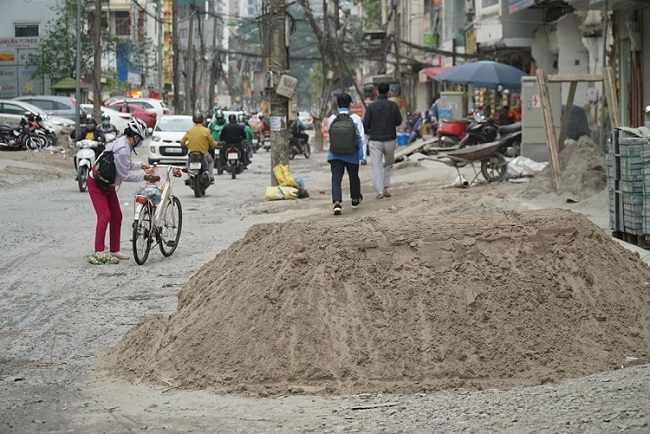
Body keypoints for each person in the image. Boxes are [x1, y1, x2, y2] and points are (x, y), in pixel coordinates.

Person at [87, 117, 157, 261]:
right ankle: (98, 251)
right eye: (141, 139)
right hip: (96, 184)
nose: (140, 142)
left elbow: (125, 164)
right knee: (104, 216)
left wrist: (140, 165)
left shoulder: (124, 144)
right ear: (136, 136)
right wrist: (144, 175)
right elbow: (124, 175)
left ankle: (114, 249)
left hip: (109, 184)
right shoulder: (123, 148)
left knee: (117, 216)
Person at [327, 92, 366, 216]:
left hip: (335, 154)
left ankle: (337, 203)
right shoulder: (355, 118)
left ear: (337, 104)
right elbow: (361, 139)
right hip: (351, 154)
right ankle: (355, 199)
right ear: (350, 104)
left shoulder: (332, 118)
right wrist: (362, 157)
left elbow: (331, 136)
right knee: (353, 176)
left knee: (336, 178)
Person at [362, 82, 402, 199]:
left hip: (375, 141)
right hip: (390, 140)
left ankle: (379, 191)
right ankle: (385, 187)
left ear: (377, 92)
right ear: (388, 93)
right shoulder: (393, 105)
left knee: (376, 166)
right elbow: (398, 121)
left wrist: (370, 132)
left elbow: (365, 125)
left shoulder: (371, 107)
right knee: (388, 164)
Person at [180, 113, 217, 181]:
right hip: (204, 154)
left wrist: (186, 145)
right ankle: (210, 175)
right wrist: (215, 144)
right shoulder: (206, 131)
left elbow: (182, 142)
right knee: (211, 161)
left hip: (192, 154)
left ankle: (189, 176)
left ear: (193, 121)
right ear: (203, 120)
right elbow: (212, 143)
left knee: (188, 165)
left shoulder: (189, 131)